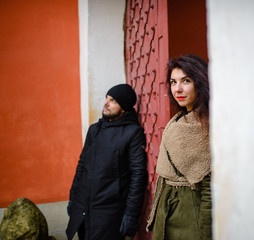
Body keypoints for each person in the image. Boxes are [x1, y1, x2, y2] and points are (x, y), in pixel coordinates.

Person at [66, 84, 148, 240]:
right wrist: (73, 198)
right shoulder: (94, 130)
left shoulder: (132, 133)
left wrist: (131, 214)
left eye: (113, 101)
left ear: (123, 107)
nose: (106, 103)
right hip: (83, 208)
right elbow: (82, 165)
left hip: (108, 213)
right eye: (106, 98)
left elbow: (138, 176)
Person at [146, 54, 212, 239]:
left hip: (190, 219)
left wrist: (206, 235)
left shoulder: (207, 126)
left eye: (186, 81)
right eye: (173, 82)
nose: (178, 89)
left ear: (200, 82)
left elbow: (210, 193)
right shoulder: (178, 120)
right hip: (168, 212)